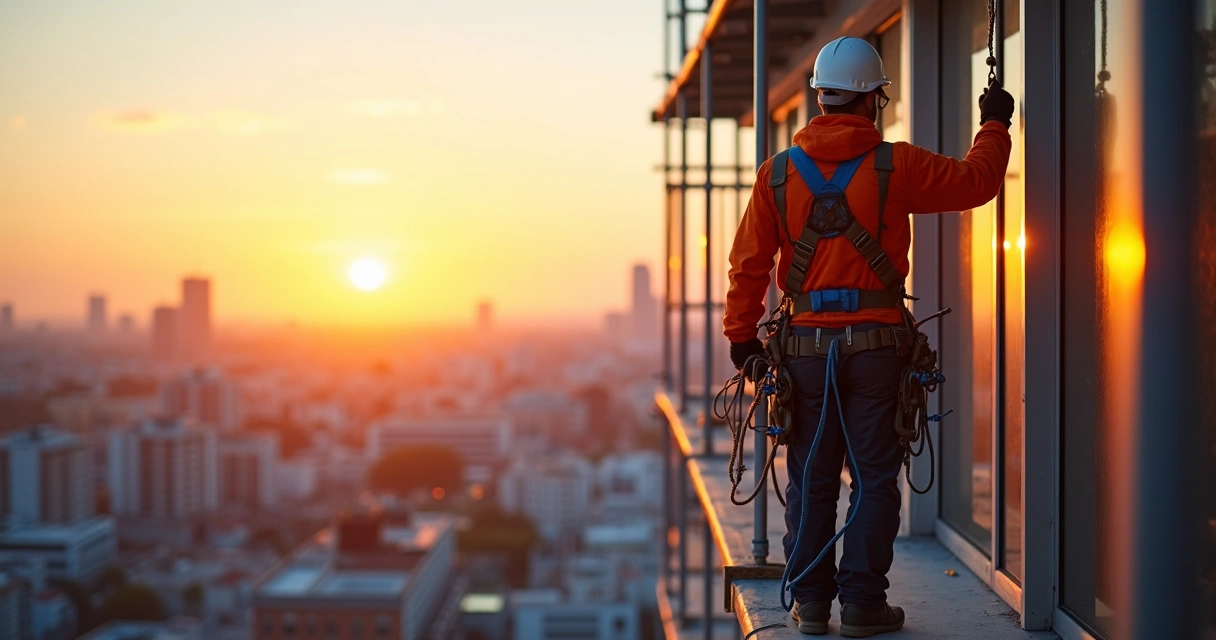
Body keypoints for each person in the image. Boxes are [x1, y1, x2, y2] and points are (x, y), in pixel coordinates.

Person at [724, 36, 1014, 637]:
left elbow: (748, 263)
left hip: (803, 351)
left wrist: (742, 338)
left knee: (811, 476)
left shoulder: (777, 175)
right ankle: (861, 605)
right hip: (877, 351)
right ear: (873, 100)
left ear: (821, 101)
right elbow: (976, 182)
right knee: (875, 477)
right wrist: (993, 122)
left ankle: (809, 606)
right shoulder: (895, 165)